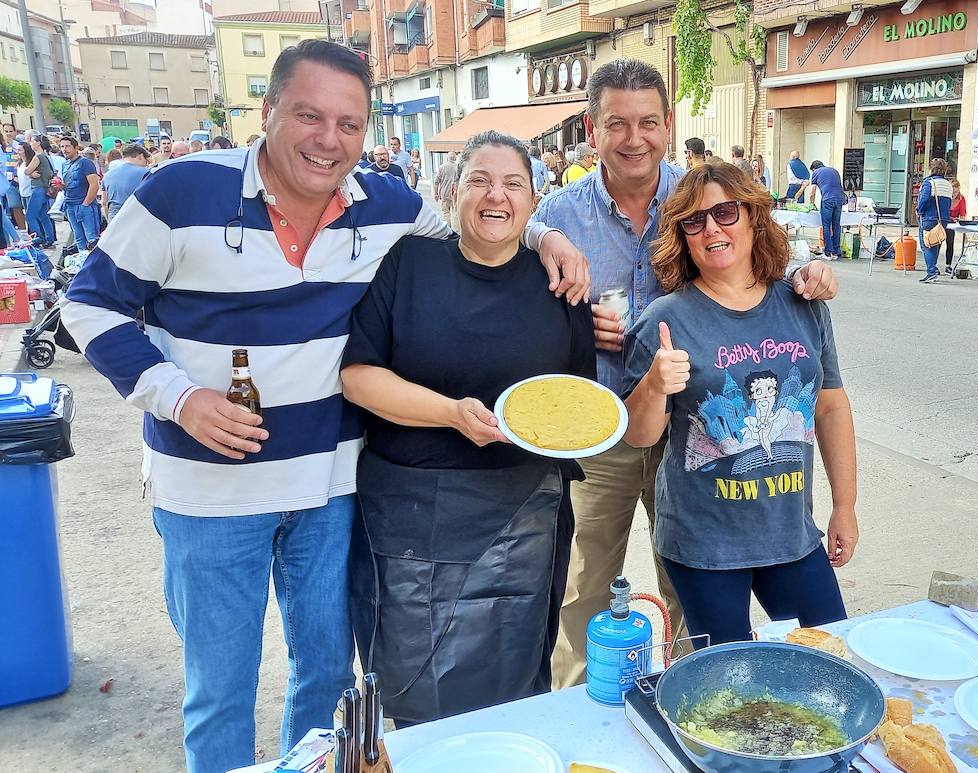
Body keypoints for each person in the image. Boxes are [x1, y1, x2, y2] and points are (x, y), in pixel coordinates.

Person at [60, 39, 588, 773]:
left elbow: (482, 219)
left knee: (328, 682)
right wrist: (179, 397)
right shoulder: (182, 192)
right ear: (270, 110)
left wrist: (548, 233)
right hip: (210, 493)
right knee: (221, 691)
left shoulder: (383, 204)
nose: (328, 139)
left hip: (328, 488)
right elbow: (87, 302)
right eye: (309, 115)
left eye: (348, 123)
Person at [535, 58, 838, 689]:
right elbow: (512, 277)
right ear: (592, 130)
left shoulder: (692, 194)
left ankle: (685, 697)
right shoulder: (562, 214)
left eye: (648, 122)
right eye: (617, 123)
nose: (633, 138)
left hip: (699, 430)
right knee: (585, 584)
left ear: (669, 125)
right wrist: (568, 317)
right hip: (606, 427)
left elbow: (752, 244)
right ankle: (579, 708)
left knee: (687, 583)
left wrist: (813, 269)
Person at [341, 130, 595, 724]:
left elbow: (579, 398)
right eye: (479, 181)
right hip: (410, 509)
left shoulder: (560, 283)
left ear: (534, 202)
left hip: (526, 509)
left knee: (514, 682)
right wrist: (452, 414)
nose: (495, 197)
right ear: (451, 192)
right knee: (413, 685)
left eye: (512, 184)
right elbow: (358, 376)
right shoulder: (409, 262)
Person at [621, 161, 857, 646]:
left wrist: (845, 506)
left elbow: (831, 408)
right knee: (729, 684)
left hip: (791, 533)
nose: (711, 228)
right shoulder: (664, 319)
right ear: (682, 236)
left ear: (753, 217)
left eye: (726, 212)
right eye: (694, 220)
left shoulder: (803, 303)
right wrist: (653, 384)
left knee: (831, 653)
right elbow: (639, 436)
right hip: (702, 544)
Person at [59, 136, 101, 250]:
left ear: (75, 148)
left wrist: (85, 204)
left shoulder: (85, 163)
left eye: (67, 146)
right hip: (70, 204)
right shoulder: (65, 164)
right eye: (62, 146)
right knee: (79, 238)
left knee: (92, 239)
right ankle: (82, 261)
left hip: (84, 204)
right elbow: (68, 186)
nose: (64, 149)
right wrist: (60, 185)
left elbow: (94, 185)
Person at [916, 157, 953, 283]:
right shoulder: (948, 185)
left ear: (932, 168)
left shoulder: (929, 183)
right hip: (943, 220)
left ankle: (931, 272)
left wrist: (919, 210)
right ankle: (933, 269)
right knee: (936, 244)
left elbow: (924, 200)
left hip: (929, 218)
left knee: (926, 244)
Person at [21, 138, 57, 248]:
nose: (30, 144)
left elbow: (26, 171)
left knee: (30, 215)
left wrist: (30, 173)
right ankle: (49, 238)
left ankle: (38, 238)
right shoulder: (46, 156)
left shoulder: (38, 157)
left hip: (38, 188)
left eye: (32, 142)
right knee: (43, 215)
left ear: (38, 143)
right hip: (45, 188)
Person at [101, 143, 151, 222]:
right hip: (137, 218)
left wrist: (109, 222)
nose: (146, 164)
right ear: (141, 156)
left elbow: (104, 203)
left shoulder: (108, 175)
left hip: (115, 217)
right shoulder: (147, 173)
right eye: (146, 161)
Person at [810, 159, 844, 260]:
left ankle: (828, 252)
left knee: (826, 225)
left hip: (827, 199)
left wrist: (811, 204)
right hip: (839, 199)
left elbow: (812, 192)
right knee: (836, 225)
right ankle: (836, 252)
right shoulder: (834, 171)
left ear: (814, 168)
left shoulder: (816, 172)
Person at [432, 150, 461, 229]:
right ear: (455, 158)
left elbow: (436, 182)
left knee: (446, 212)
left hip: (444, 193)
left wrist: (436, 193)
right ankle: (456, 229)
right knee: (455, 212)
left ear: (447, 158)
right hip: (455, 193)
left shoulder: (442, 167)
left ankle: (448, 228)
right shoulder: (458, 168)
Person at [944, 178, 967, 274]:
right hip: (943, 220)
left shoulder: (961, 199)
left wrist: (961, 223)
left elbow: (962, 215)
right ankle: (934, 265)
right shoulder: (945, 197)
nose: (954, 194)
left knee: (950, 243)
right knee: (937, 243)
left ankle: (948, 265)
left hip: (952, 223)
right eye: (953, 192)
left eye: (956, 192)